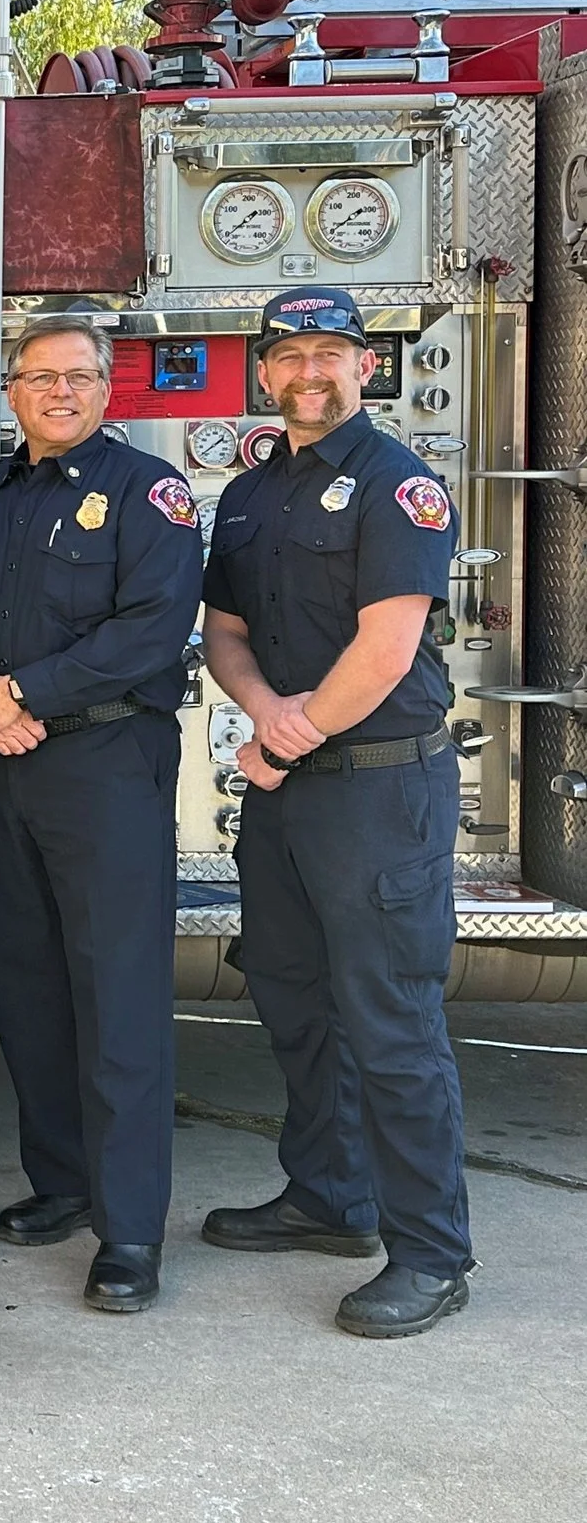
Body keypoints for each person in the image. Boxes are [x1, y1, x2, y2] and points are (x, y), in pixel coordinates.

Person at [200, 285, 473, 1339]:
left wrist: (285, 736)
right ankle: (329, 1197)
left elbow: (386, 648)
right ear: (262, 371)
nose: (307, 372)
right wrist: (265, 715)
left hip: (377, 790)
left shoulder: (394, 484)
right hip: (289, 788)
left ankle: (432, 1254)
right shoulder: (251, 491)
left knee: (391, 1025)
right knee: (293, 997)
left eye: (329, 352)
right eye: (287, 355)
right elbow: (225, 632)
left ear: (365, 365)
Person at [0, 319, 203, 1313]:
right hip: (1, 766)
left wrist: (23, 694)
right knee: (27, 984)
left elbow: (152, 629)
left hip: (104, 760)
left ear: (108, 389)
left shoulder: (150, 494)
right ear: (8, 390)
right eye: (40, 377)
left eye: (79, 376)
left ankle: (129, 1230)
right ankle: (60, 1181)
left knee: (120, 997)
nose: (60, 391)